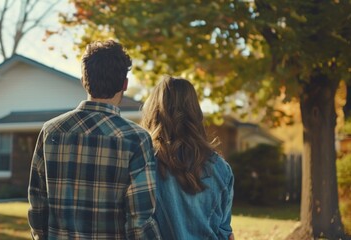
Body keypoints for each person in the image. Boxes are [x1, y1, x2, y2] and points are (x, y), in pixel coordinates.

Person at [28, 40, 161, 240]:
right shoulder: (137, 139)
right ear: (125, 84)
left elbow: (37, 207)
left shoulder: (50, 132)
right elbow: (139, 221)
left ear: (83, 80)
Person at [141, 76, 234, 240]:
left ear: (154, 111)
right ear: (195, 111)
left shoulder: (143, 162)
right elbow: (225, 232)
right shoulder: (220, 167)